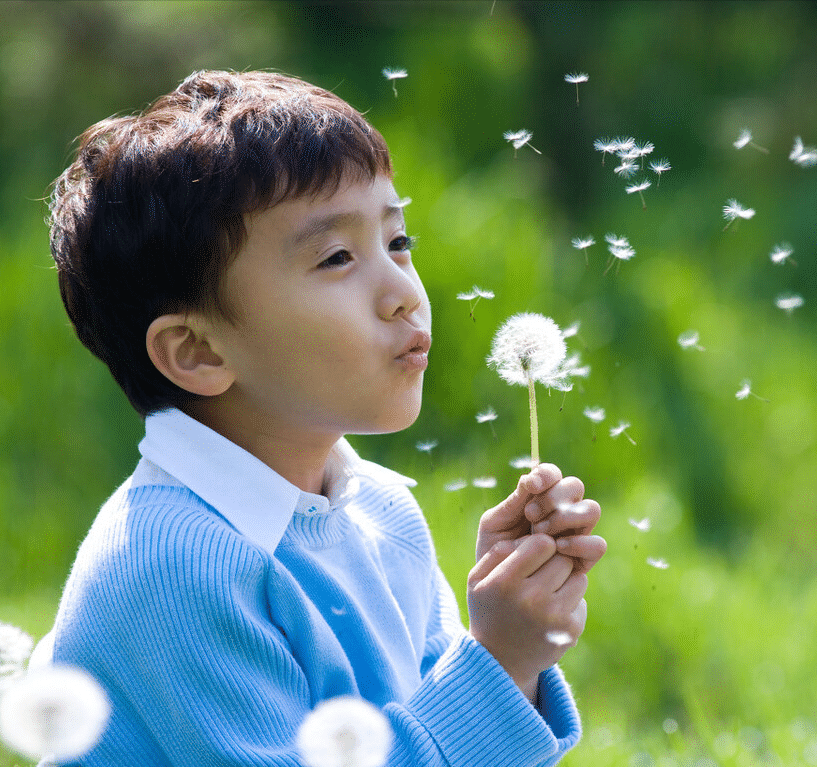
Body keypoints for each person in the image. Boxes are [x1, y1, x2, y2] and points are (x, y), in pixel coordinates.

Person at [39, 69, 606, 765]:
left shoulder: (383, 512)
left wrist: (509, 652)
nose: (403, 292)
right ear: (197, 351)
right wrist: (496, 661)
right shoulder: (171, 566)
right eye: (337, 257)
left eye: (398, 243)